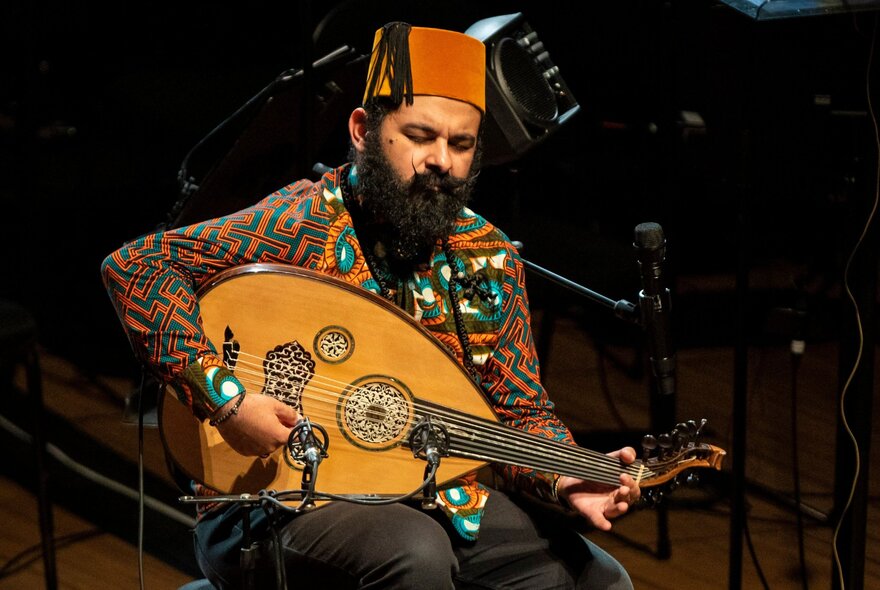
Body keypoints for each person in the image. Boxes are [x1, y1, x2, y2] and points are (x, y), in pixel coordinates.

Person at [102, 21, 640, 590]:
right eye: (420, 136)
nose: (441, 161)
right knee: (415, 552)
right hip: (272, 500)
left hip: (437, 494)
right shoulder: (300, 224)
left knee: (598, 581)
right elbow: (136, 267)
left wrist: (565, 478)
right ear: (362, 130)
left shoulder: (489, 258)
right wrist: (227, 401)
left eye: (461, 145)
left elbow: (519, 417)